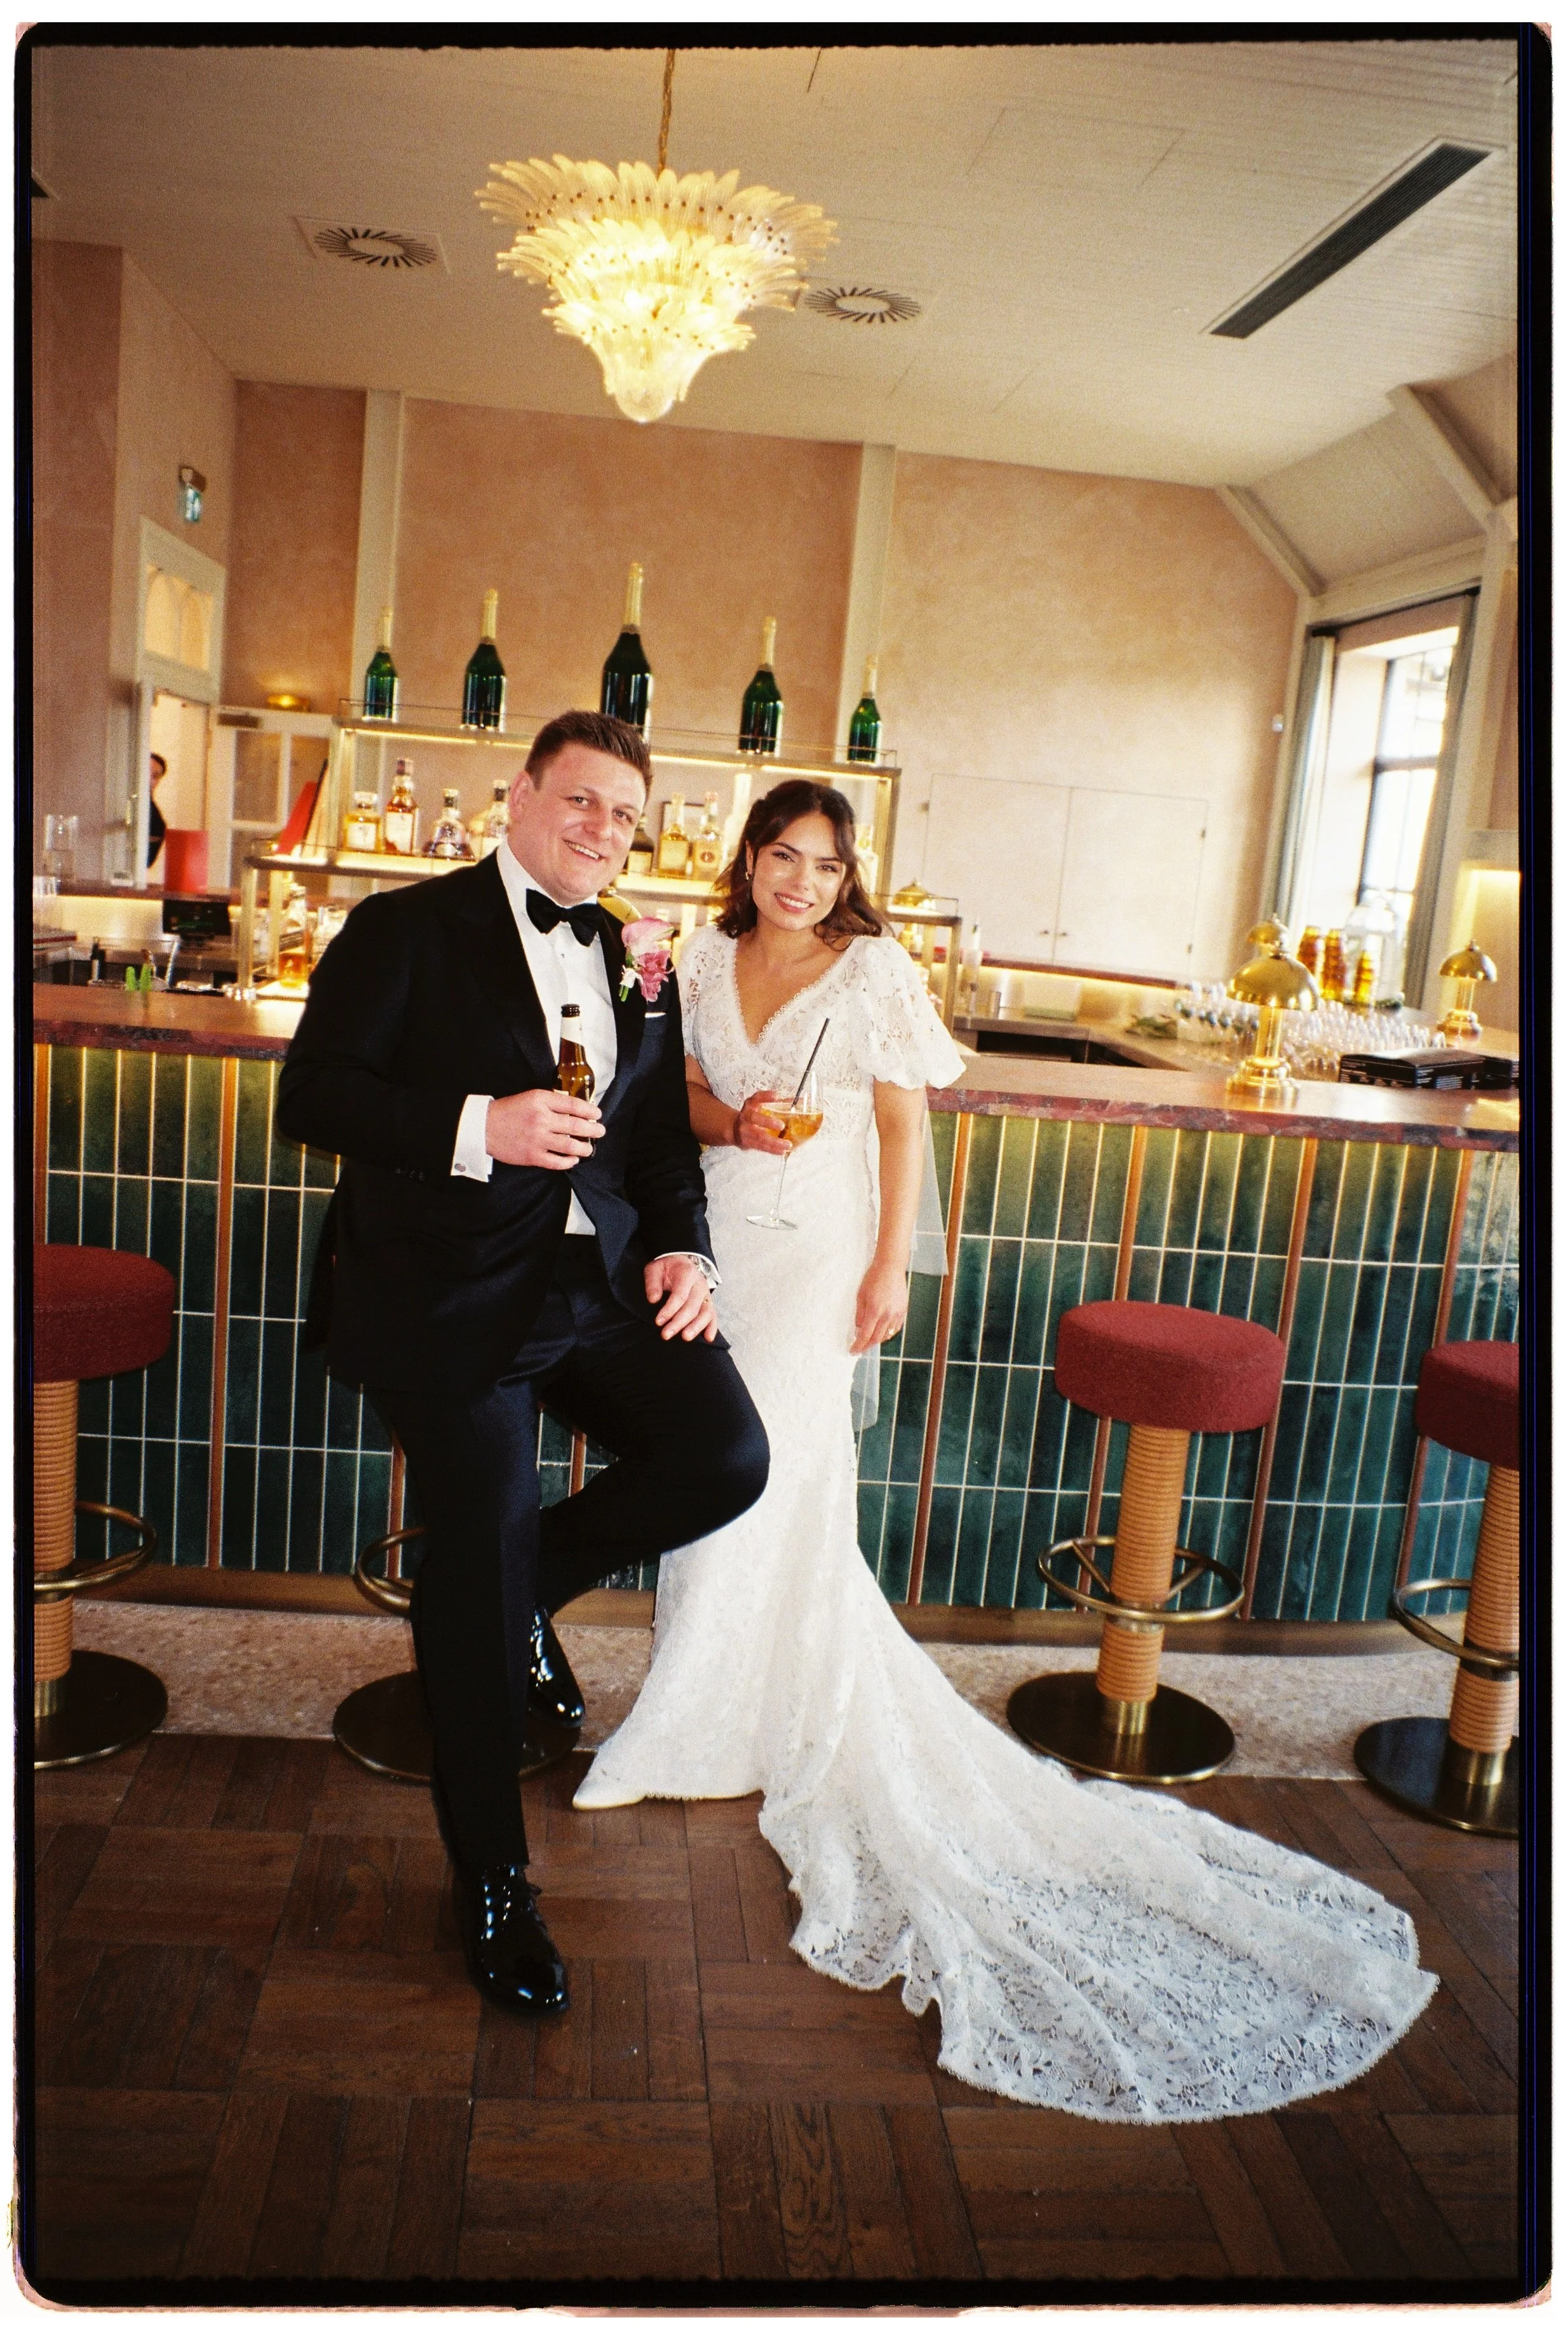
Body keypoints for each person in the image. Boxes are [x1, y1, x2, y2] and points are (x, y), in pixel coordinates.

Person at [572, 779, 1439, 2123]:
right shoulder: (696, 954)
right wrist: (728, 1119)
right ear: (746, 862)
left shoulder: (871, 969)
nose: (796, 880)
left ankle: (704, 1717)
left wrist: (888, 1272)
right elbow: (678, 1092)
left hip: (815, 1256)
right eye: (779, 857)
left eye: (821, 862)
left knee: (781, 1472)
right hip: (715, 1235)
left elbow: (907, 1127)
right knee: (710, 1471)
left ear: (847, 874)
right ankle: (702, 1706)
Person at [276, 711, 769, 2021]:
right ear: (519, 795)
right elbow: (311, 1097)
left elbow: (657, 1138)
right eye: (581, 802)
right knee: (478, 1558)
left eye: (624, 814)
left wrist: (682, 1250)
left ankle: (512, 1592)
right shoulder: (406, 930)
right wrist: (472, 1126)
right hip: (445, 1292)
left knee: (725, 1455)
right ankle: (492, 1881)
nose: (603, 832)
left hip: (595, 1284)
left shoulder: (634, 957)